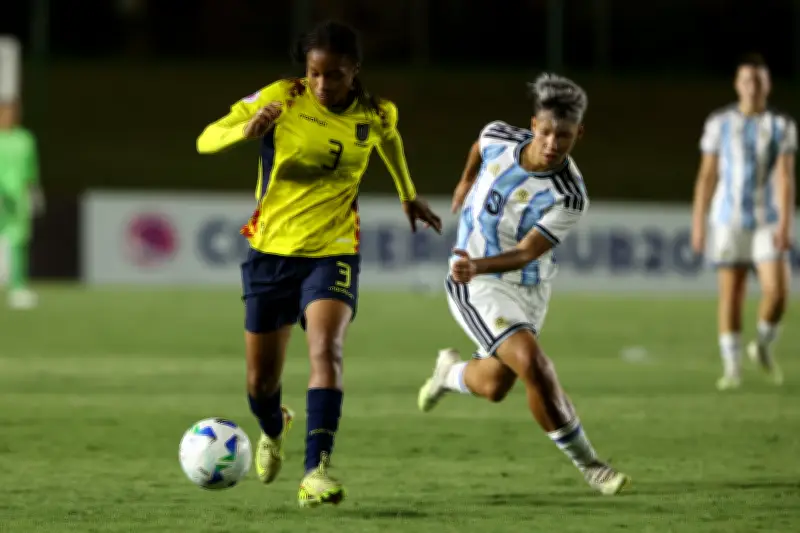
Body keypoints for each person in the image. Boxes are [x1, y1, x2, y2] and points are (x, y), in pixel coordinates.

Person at [196, 20, 442, 507]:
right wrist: (245, 131)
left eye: (335, 75)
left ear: (355, 71)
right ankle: (273, 426)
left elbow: (388, 141)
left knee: (326, 351)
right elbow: (205, 138)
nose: (323, 85)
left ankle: (316, 471)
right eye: (314, 74)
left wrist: (407, 195)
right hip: (271, 252)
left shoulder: (376, 113)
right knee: (259, 385)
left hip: (333, 250)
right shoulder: (282, 97)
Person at [417, 73, 630, 496]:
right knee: (535, 365)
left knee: (496, 386)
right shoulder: (498, 135)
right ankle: (592, 465)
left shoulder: (569, 194)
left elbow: (527, 252)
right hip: (476, 285)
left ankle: (449, 373)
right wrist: (465, 180)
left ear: (579, 134)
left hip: (527, 285)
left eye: (564, 136)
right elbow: (478, 148)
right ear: (533, 125)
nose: (553, 144)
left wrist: (478, 264)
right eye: (547, 132)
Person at [691, 53, 796, 391]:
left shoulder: (781, 126)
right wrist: (698, 222)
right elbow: (707, 176)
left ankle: (762, 345)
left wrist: (785, 224)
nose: (752, 87)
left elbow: (785, 177)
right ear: (737, 85)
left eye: (758, 81)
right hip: (727, 220)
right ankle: (732, 368)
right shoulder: (719, 123)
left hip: (767, 219)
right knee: (732, 294)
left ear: (767, 85)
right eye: (746, 80)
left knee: (777, 292)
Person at [0, 35, 43, 310]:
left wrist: (34, 190)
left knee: (18, 242)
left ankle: (18, 286)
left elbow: (31, 169)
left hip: (17, 197)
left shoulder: (25, 139)